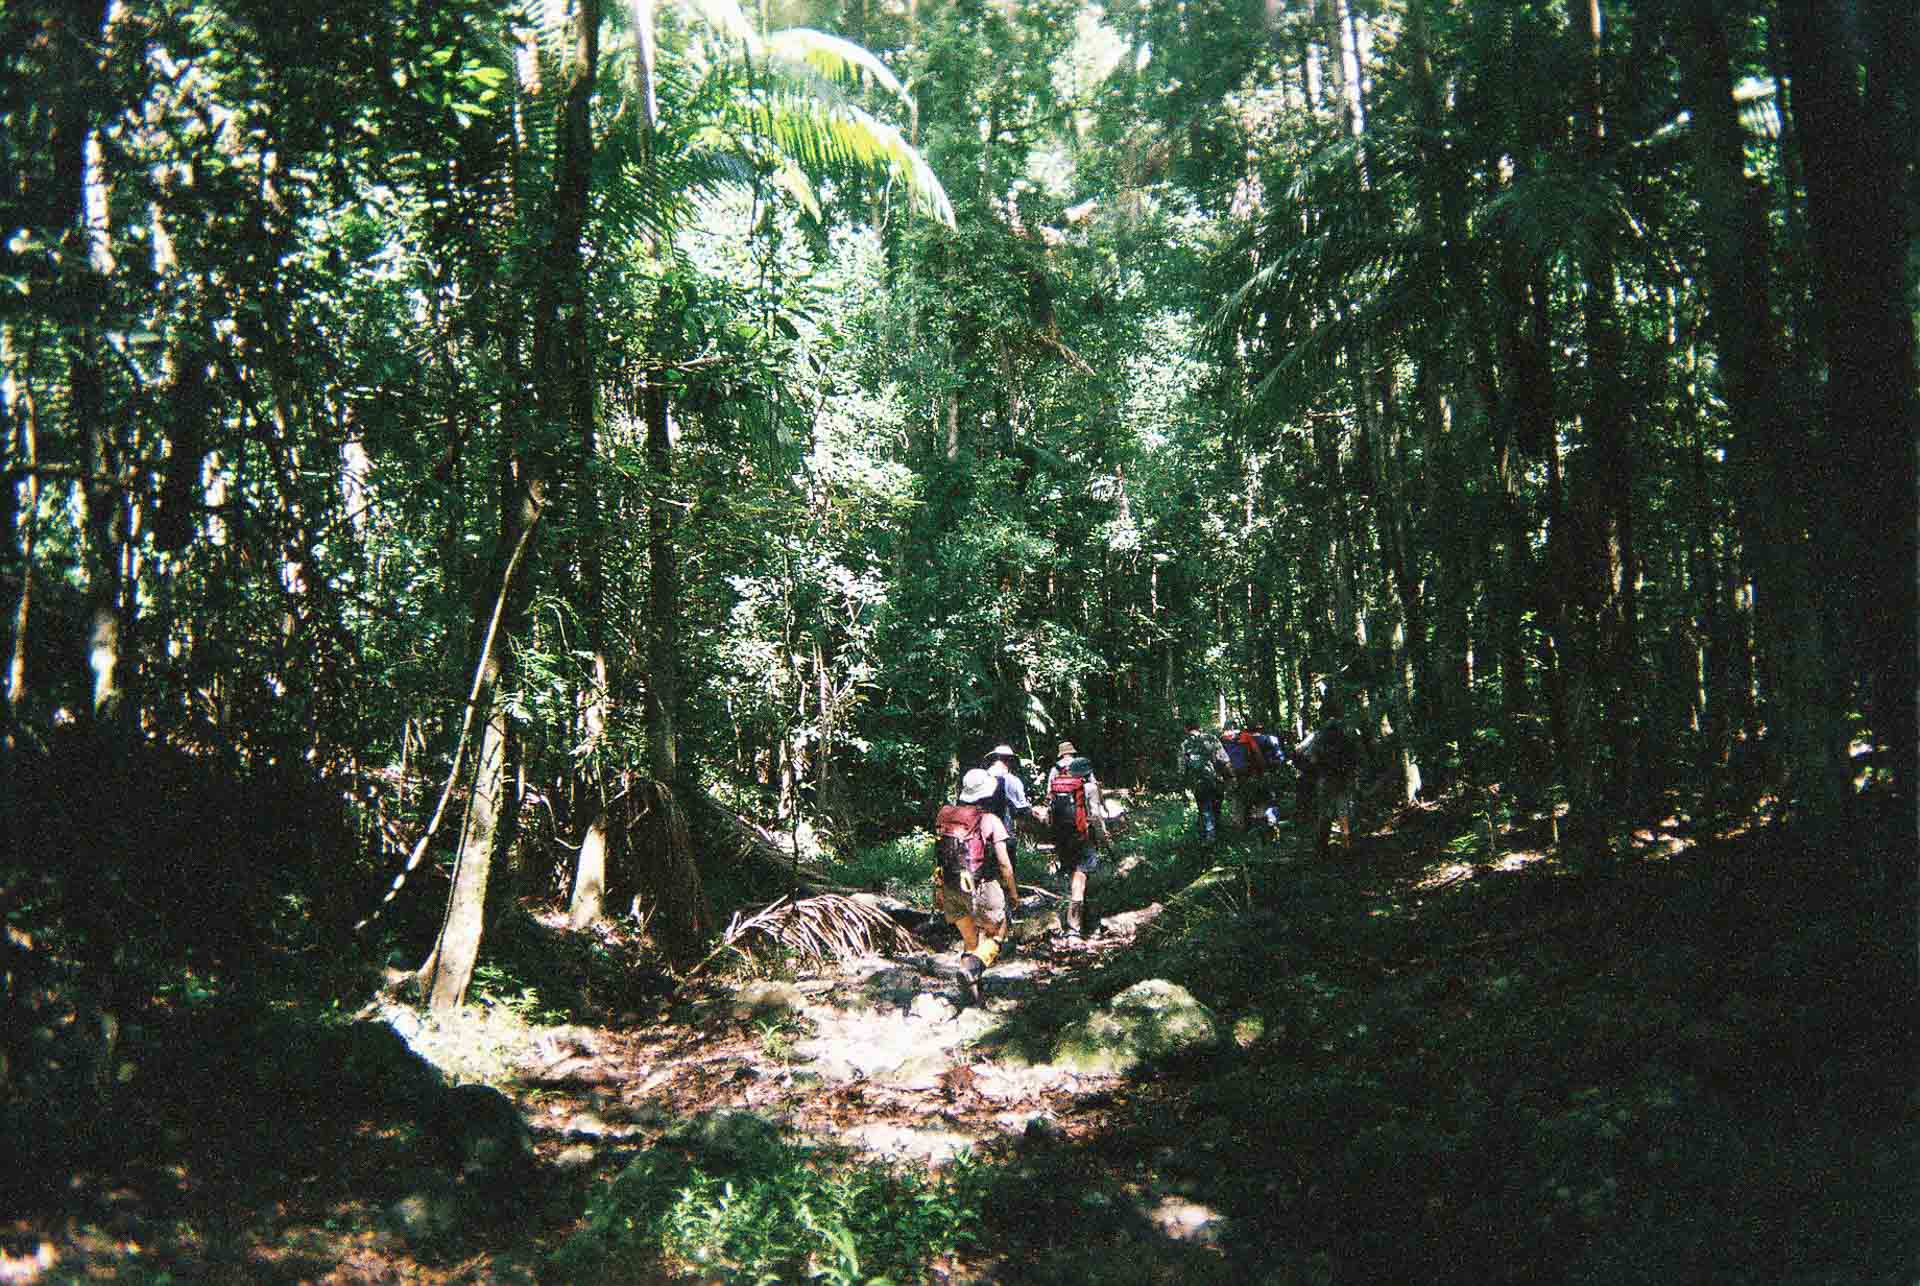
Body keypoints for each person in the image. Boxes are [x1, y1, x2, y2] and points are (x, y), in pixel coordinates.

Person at [931, 768, 1020, 1003]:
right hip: (981, 886)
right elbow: (1004, 864)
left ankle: (972, 994)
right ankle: (972, 969)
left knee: (970, 941)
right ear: (987, 794)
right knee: (998, 931)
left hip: (950, 885)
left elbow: (940, 856)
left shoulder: (945, 816)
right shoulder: (990, 820)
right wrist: (1013, 893)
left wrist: (937, 891)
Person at [1042, 740, 1106, 938]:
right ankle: (1076, 928)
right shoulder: (1088, 785)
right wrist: (1103, 837)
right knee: (1081, 880)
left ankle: (1071, 919)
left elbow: (1049, 800)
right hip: (1082, 835)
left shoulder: (1055, 771)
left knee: (1073, 877)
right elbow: (1095, 815)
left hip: (1062, 834)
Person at [981, 744, 1042, 864]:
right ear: (1008, 761)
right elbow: (1021, 809)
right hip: (1003, 831)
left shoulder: (980, 777)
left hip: (980, 831)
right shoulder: (1011, 780)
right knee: (1006, 867)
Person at [1178, 719, 1229, 841]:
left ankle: (1209, 839)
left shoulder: (1184, 744)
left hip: (1198, 783)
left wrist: (1183, 789)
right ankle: (1218, 838)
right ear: (1199, 727)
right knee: (1216, 809)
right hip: (1216, 780)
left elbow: (1181, 770)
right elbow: (1224, 760)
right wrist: (1230, 777)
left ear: (1186, 729)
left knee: (1205, 810)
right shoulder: (1212, 739)